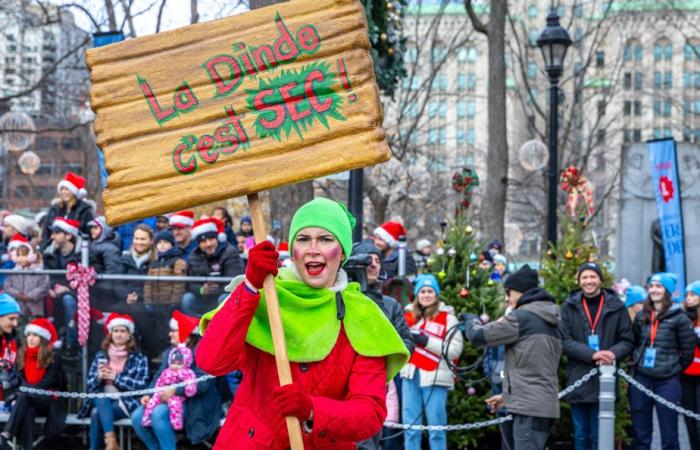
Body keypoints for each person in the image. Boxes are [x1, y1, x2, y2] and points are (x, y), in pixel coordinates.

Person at [197, 197, 409, 449]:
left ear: (342, 252)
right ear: (293, 250)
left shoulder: (364, 316)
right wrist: (250, 288)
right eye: (303, 239)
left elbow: (370, 413)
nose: (313, 249)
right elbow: (211, 361)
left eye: (326, 239)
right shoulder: (263, 296)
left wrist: (312, 410)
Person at [462, 265, 561, 450]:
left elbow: (479, 336)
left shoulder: (522, 317)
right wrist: (507, 397)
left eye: (509, 292)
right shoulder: (547, 316)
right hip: (542, 404)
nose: (507, 298)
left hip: (528, 408)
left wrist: (471, 321)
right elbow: (533, 368)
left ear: (520, 291)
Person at [559, 262, 634, 450]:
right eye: (584, 277)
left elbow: (627, 339)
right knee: (581, 435)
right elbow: (564, 341)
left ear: (600, 280)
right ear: (579, 281)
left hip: (606, 379)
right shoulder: (568, 307)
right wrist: (593, 354)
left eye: (592, 276)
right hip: (578, 377)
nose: (588, 281)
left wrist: (612, 353)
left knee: (600, 435)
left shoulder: (617, 307)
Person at [351, 241, 415, 450]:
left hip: (374, 387)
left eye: (377, 260)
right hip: (339, 387)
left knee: (368, 441)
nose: (373, 264)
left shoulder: (390, 305)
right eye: (367, 259)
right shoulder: (340, 298)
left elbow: (407, 342)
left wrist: (381, 358)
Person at [131, 310, 222, 450]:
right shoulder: (171, 352)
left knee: (158, 413)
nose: (169, 334)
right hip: (165, 399)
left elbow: (203, 384)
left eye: (173, 330)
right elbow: (159, 376)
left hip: (195, 404)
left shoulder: (202, 350)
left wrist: (175, 390)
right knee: (137, 417)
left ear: (186, 333)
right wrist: (148, 394)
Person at [629, 272, 695, 450]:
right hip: (641, 378)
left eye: (658, 286)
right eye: (651, 286)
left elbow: (688, 350)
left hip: (667, 381)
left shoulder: (679, 317)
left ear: (667, 290)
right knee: (640, 434)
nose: (654, 290)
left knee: (669, 435)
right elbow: (634, 342)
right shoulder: (642, 314)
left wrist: (674, 368)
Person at [400, 274, 463, 450]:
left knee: (437, 430)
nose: (426, 295)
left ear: (436, 294)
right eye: (422, 291)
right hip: (410, 375)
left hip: (435, 377)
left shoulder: (448, 318)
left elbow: (455, 350)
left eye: (430, 291)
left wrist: (426, 341)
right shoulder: (408, 316)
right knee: (410, 429)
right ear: (417, 294)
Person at [79, 313, 149, 450]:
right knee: (100, 398)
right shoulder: (101, 355)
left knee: (96, 413)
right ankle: (111, 442)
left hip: (125, 402)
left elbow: (142, 386)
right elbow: (89, 386)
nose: (118, 334)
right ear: (110, 334)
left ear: (129, 335)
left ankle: (108, 444)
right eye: (115, 331)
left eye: (123, 331)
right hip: (101, 398)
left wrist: (116, 378)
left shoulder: (139, 358)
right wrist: (99, 377)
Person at [0, 319, 66, 450]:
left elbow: (48, 382)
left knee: (24, 396)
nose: (31, 338)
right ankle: (27, 447)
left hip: (49, 400)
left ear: (43, 338)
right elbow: (20, 380)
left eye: (35, 335)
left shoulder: (54, 357)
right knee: (28, 410)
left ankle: (6, 433)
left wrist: (27, 390)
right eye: (29, 335)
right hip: (30, 400)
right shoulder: (22, 354)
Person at [182, 218, 244, 316]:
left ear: (217, 238)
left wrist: (215, 290)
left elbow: (235, 279)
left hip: (223, 294)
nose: (208, 244)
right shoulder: (194, 255)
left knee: (224, 299)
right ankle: (194, 327)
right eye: (203, 241)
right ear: (198, 243)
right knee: (187, 299)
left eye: (211, 239)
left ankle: (224, 326)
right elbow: (190, 281)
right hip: (202, 297)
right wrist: (201, 290)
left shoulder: (230, 252)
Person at [42, 218, 81, 351]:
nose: (52, 236)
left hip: (78, 294)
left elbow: (86, 278)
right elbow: (49, 276)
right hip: (55, 291)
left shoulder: (82, 254)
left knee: (68, 300)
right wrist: (53, 287)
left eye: (56, 233)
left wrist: (68, 288)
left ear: (69, 235)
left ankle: (72, 344)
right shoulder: (49, 254)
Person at [41, 172, 95, 249]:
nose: (63, 192)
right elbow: (46, 231)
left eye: (66, 189)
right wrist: (44, 249)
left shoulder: (84, 209)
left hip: (78, 249)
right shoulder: (54, 208)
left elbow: (88, 232)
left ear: (74, 191)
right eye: (61, 189)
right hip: (55, 249)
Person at [3, 234, 49, 319]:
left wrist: (29, 296)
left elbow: (44, 287)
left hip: (35, 309)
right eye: (19, 255)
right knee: (20, 328)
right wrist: (18, 294)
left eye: (24, 255)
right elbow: (7, 286)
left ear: (32, 256)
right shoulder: (13, 272)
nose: (21, 258)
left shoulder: (39, 272)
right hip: (18, 308)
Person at [115, 224, 155, 308]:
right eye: (136, 239)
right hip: (125, 302)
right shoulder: (124, 259)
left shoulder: (156, 261)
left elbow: (156, 287)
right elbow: (117, 283)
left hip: (147, 304)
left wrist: (138, 297)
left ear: (151, 241)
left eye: (143, 239)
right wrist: (127, 295)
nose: (139, 242)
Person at [682, 281, 700, 449]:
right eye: (687, 295)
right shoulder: (685, 318)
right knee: (689, 418)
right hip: (687, 374)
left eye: (693, 294)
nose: (688, 298)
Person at [0, 294, 20, 402]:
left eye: (16, 319)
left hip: (6, 401)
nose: (15, 323)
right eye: (11, 319)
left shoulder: (12, 340)